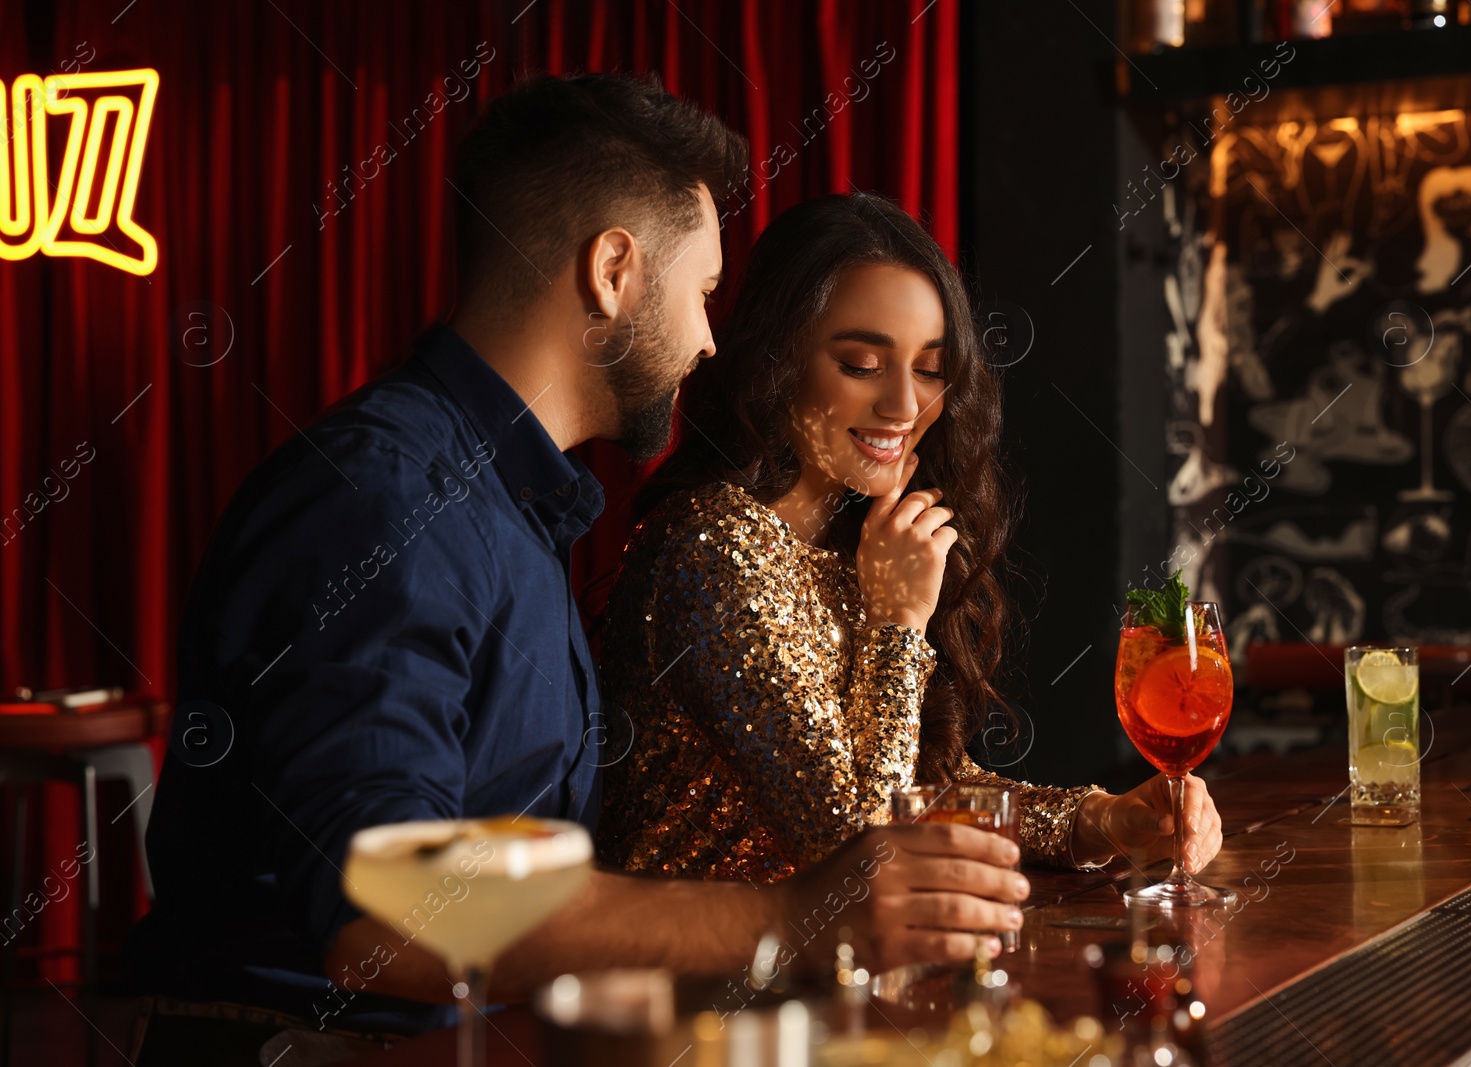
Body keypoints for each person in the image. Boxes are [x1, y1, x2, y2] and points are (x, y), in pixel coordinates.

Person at [124, 75, 1030, 1065]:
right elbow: (386, 920)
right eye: (703, 292)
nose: (710, 339)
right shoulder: (386, 500)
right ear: (612, 271)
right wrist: (788, 914)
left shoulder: (504, 507)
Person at [594, 192, 1224, 882]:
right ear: (777, 361)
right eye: (862, 364)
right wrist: (897, 621)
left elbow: (918, 787)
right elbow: (863, 850)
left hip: (841, 973)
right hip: (706, 982)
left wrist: (1099, 821)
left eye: (929, 368)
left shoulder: (854, 538)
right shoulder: (711, 546)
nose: (903, 405)